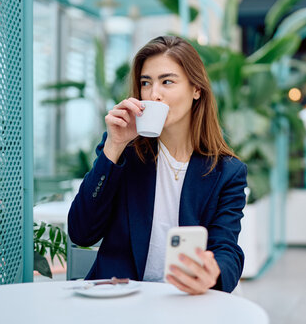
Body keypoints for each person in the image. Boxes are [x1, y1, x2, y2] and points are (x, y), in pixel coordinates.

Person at [68, 36, 247, 294]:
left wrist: (212, 272)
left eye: (167, 82)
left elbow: (226, 250)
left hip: (183, 300)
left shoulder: (226, 172)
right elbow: (81, 233)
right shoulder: (123, 152)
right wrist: (113, 148)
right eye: (145, 83)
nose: (154, 94)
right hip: (119, 300)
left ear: (196, 89)